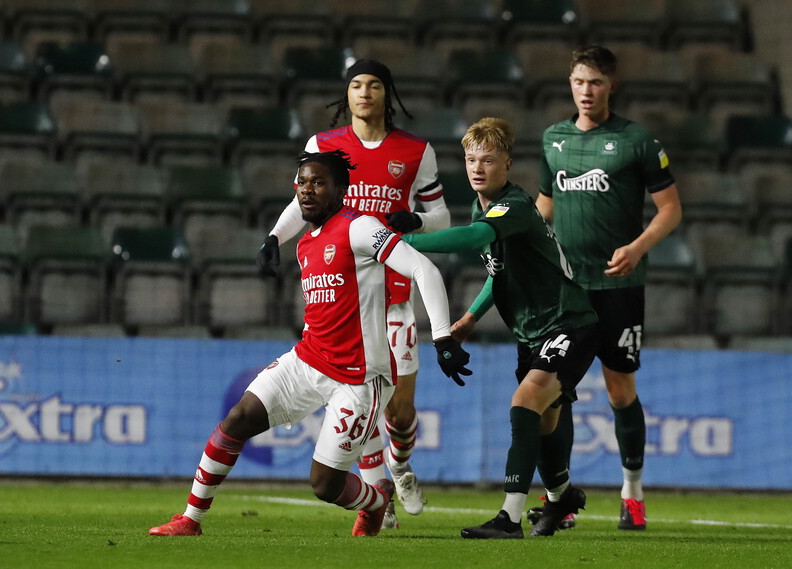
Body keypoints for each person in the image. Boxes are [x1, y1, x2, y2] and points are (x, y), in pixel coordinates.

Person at [149, 150, 471, 538]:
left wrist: (442, 337)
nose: (306, 190)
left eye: (318, 183)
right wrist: (272, 238)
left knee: (324, 484)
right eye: (301, 182)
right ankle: (190, 519)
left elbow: (424, 268)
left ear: (340, 190)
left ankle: (375, 500)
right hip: (308, 361)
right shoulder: (305, 243)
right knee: (237, 418)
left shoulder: (360, 227)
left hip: (360, 378)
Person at [256, 59, 451, 528]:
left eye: (374, 85)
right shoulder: (322, 146)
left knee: (400, 412)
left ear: (388, 94)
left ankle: (400, 467)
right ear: (346, 95)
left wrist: (417, 221)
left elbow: (442, 215)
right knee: (359, 394)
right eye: (356, 85)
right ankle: (376, 497)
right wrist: (274, 238)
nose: (364, 92)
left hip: (394, 294)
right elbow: (301, 201)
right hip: (344, 299)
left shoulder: (416, 151)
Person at [403, 117, 598, 539]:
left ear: (507, 165)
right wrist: (472, 317)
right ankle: (561, 495)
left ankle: (509, 518)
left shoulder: (513, 206)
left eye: (488, 160)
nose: (477, 167)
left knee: (525, 403)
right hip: (532, 332)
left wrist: (403, 242)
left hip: (569, 321)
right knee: (545, 422)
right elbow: (499, 272)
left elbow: (474, 239)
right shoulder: (484, 206)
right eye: (471, 159)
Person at [531, 45, 683, 532]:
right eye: (579, 81)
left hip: (620, 287)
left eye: (595, 82)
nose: (586, 90)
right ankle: (561, 498)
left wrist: (637, 248)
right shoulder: (553, 139)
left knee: (619, 392)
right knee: (556, 393)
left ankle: (632, 492)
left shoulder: (637, 140)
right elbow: (545, 206)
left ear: (610, 85)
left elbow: (671, 210)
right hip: (568, 290)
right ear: (570, 85)